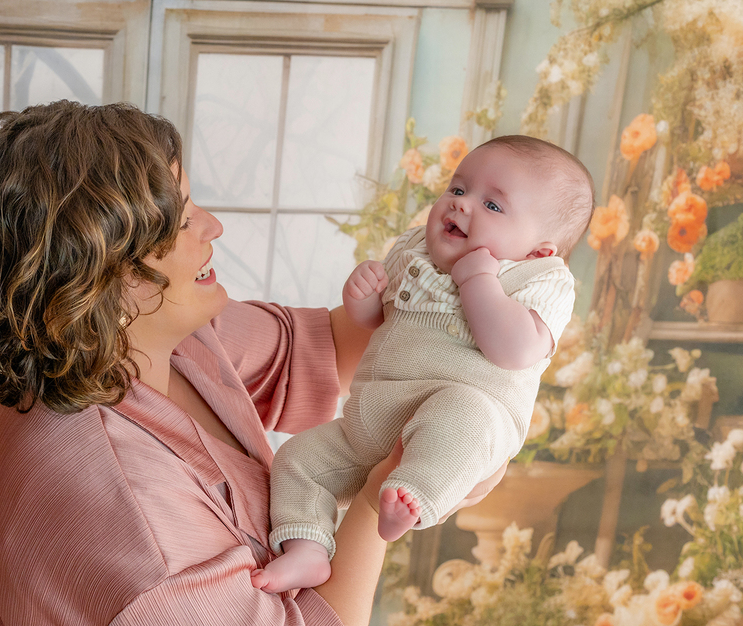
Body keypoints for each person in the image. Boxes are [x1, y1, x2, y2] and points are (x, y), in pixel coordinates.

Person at [0, 100, 506, 626]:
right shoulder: (135, 527)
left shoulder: (152, 336)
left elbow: (321, 346)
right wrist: (390, 486)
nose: (213, 228)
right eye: (180, 221)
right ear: (96, 273)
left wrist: (468, 284)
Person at [252, 135, 594, 594]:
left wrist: (478, 280)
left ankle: (414, 495)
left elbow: (513, 351)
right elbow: (380, 322)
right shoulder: (414, 249)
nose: (462, 206)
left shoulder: (541, 279)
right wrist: (362, 300)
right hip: (371, 420)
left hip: (466, 416)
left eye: (493, 206)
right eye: (458, 190)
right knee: (296, 459)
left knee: (462, 415)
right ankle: (306, 549)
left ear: (539, 250)